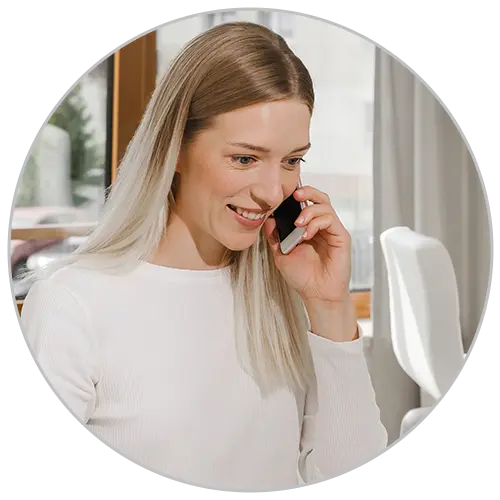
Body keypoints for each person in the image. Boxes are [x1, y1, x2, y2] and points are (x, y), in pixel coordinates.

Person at [21, 21, 388, 491]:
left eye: (292, 161)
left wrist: (330, 306)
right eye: (244, 159)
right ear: (175, 148)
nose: (272, 191)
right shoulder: (73, 305)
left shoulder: (285, 296)